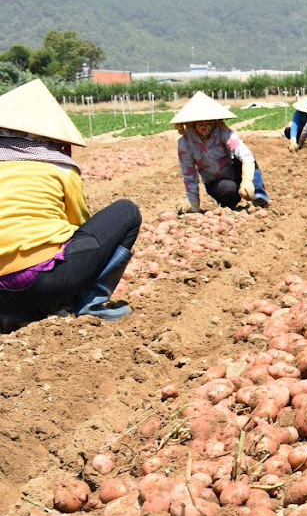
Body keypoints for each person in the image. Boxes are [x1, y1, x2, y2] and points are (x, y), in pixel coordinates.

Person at [0, 80, 143, 330]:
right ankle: (91, 302)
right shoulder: (59, 167)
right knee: (127, 211)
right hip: (44, 283)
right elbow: (78, 223)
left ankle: (12, 312)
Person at [173, 92, 271, 213]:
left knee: (249, 159)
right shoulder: (185, 143)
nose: (204, 125)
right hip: (216, 182)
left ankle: (258, 195)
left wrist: (247, 180)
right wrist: (194, 206)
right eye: (199, 122)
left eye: (208, 121)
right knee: (229, 189)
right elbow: (189, 175)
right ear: (190, 123)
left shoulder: (224, 133)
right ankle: (228, 205)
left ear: (215, 121)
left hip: (234, 173)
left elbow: (246, 156)